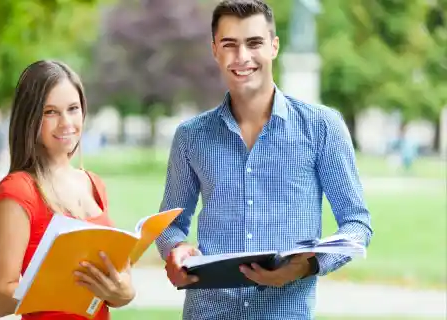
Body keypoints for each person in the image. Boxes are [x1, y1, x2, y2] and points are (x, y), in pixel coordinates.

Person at [155, 1, 373, 319]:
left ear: (273, 46)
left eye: (254, 43)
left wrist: (308, 265)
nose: (242, 57)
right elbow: (169, 225)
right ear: (215, 50)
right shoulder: (191, 136)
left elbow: (357, 224)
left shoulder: (322, 127)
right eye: (229, 45)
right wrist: (175, 251)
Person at [0, 60, 136, 319]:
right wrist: (63, 287)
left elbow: (120, 289)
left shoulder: (94, 184)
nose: (66, 122)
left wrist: (122, 292)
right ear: (30, 118)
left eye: (73, 108)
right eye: (50, 112)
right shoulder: (19, 190)